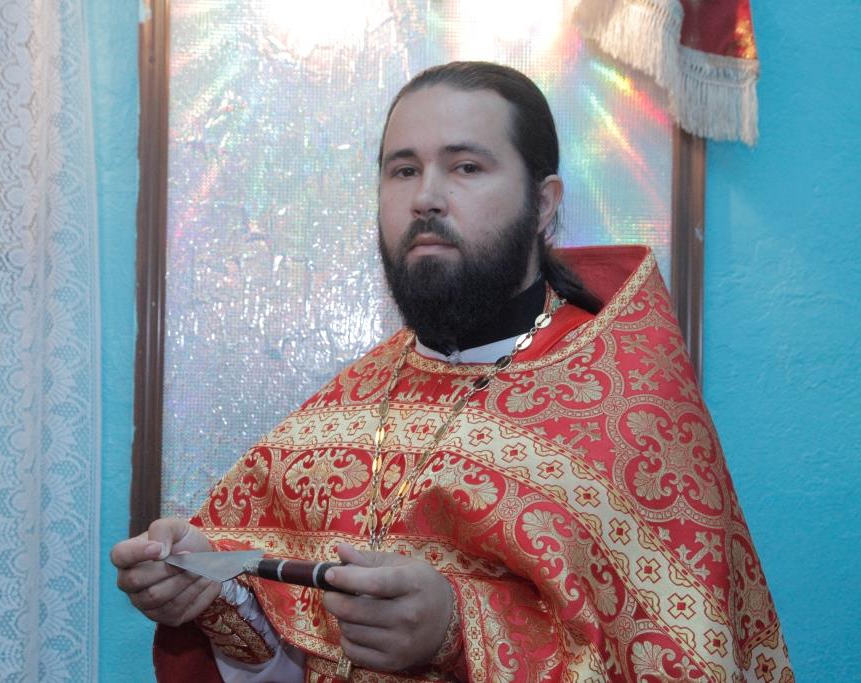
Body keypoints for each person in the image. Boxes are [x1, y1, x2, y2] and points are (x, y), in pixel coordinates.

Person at [112, 62, 793, 682]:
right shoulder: (343, 408)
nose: (426, 197)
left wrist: (459, 631)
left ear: (544, 203)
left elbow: (684, 658)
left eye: (465, 167)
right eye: (403, 170)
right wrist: (215, 586)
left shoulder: (634, 413)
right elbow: (290, 654)